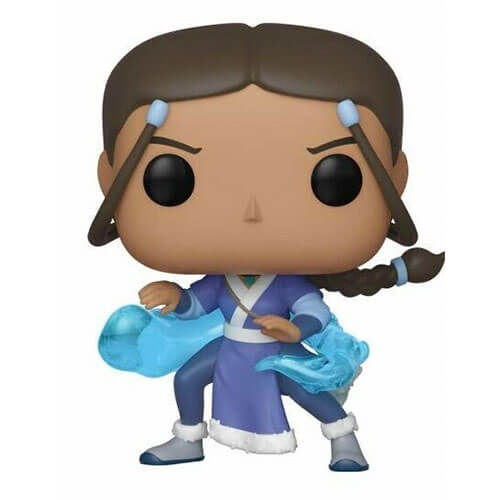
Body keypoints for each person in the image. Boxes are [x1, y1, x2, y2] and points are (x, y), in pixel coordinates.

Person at [89, 24, 444, 471]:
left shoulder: (288, 284)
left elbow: (314, 312)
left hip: (272, 351)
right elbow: (199, 304)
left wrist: (295, 332)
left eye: (334, 181)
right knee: (188, 378)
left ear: (395, 179)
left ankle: (344, 439)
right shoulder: (223, 281)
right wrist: (176, 297)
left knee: (307, 389)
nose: (252, 212)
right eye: (172, 180)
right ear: (110, 180)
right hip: (232, 347)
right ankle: (188, 439)